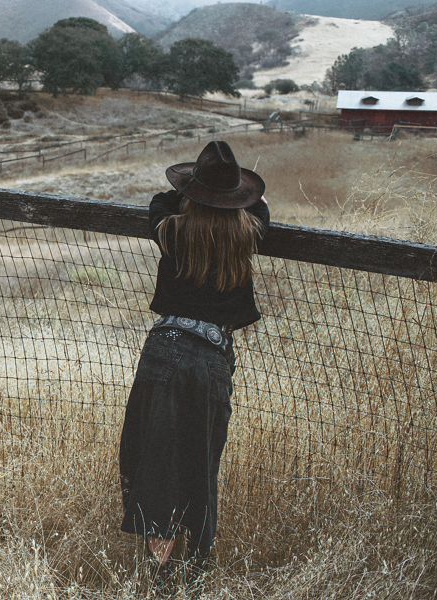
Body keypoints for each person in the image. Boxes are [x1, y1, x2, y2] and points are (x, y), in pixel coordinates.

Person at [119, 140, 270, 597]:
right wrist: (234, 199)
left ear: (194, 192)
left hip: (163, 349)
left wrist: (188, 192)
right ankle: (195, 575)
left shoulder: (171, 229)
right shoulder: (248, 232)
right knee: (199, 464)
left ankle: (159, 579)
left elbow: (159, 201)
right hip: (210, 358)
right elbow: (260, 207)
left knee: (153, 461)